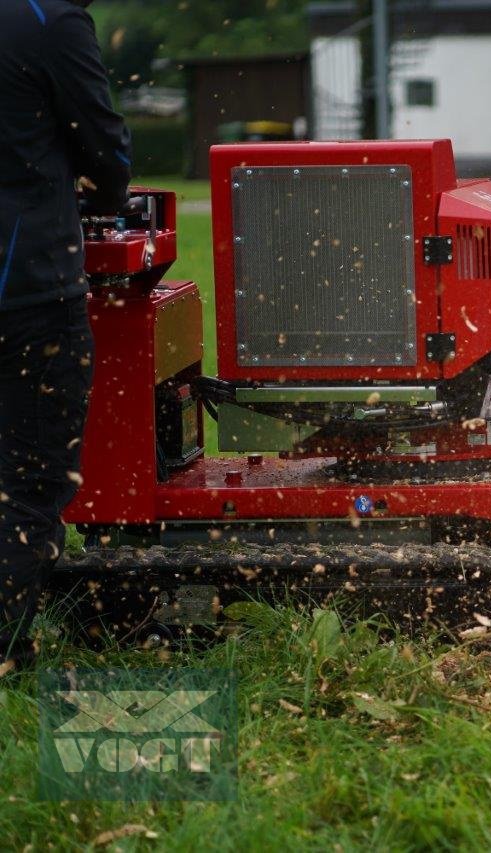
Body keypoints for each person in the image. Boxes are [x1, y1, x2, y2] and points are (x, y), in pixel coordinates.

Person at [0, 0, 131, 675]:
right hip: (25, 289)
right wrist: (110, 194)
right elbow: (102, 143)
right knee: (29, 479)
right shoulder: (44, 16)